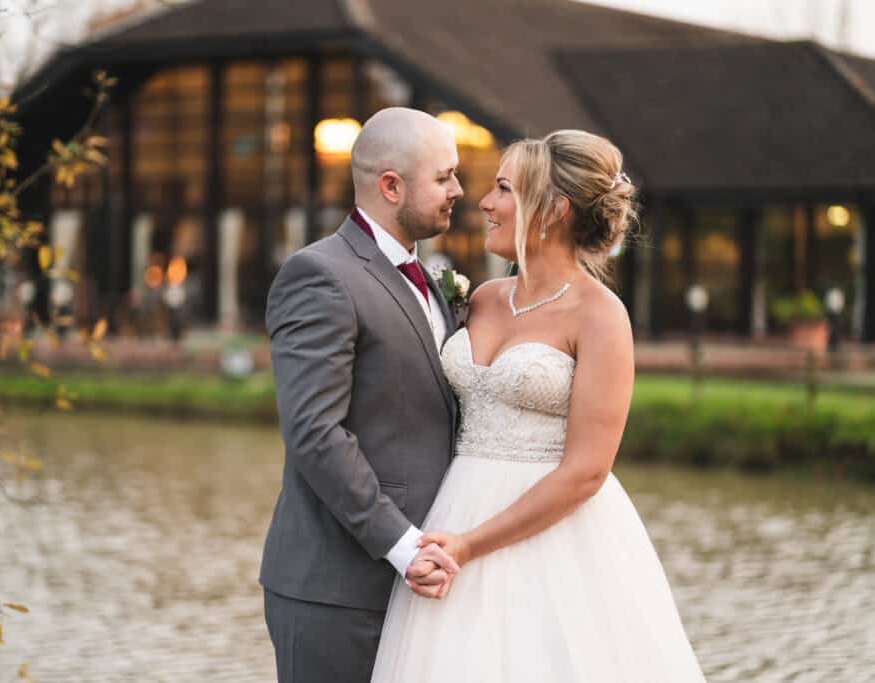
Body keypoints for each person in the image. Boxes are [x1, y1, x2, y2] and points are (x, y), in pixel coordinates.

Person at [371, 130, 707, 682]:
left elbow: (587, 471)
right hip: (453, 511)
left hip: (551, 535)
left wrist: (471, 543)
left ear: (552, 209)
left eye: (503, 189)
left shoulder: (600, 316)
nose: (484, 202)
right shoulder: (479, 298)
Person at [260, 107, 467, 683]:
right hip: (338, 591)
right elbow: (315, 432)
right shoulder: (320, 275)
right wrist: (402, 546)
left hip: (420, 583)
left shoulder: (432, 283)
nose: (458, 190)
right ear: (391, 186)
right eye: (444, 177)